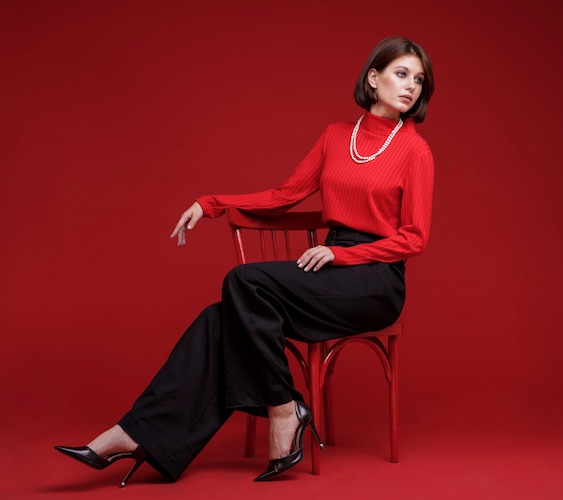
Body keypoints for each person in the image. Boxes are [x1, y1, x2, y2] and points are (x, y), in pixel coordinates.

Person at [55, 35, 435, 487]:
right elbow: (285, 195)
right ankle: (135, 434)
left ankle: (281, 406)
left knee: (244, 282)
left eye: (419, 80)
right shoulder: (337, 137)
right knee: (218, 320)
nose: (411, 86)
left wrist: (341, 253)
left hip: (374, 281)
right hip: (328, 267)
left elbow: (414, 239)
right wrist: (210, 203)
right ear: (373, 78)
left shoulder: (416, 152)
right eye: (401, 73)